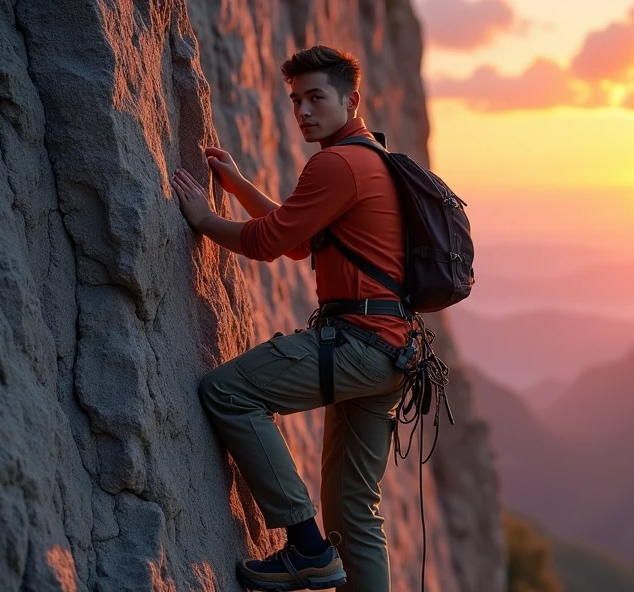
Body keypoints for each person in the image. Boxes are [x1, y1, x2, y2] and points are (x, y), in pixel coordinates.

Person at [171, 45, 409, 592]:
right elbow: (302, 239)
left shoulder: (336, 163)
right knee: (355, 511)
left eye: (316, 97)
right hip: (391, 354)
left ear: (350, 99)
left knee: (228, 391)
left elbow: (270, 242)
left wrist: (206, 218)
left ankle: (306, 547)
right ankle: (320, 552)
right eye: (296, 99)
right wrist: (238, 187)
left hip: (356, 344)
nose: (303, 110)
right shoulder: (372, 157)